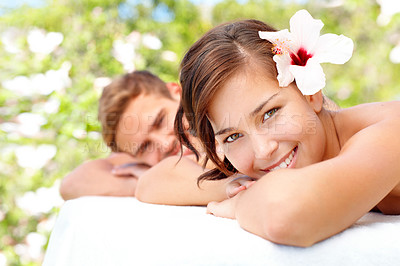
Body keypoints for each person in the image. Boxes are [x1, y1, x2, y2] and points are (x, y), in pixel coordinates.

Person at [174, 10, 400, 247]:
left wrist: (241, 202)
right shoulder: (283, 155)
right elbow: (155, 179)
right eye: (233, 136)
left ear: (310, 92)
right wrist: (230, 187)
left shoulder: (389, 130)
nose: (263, 151)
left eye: (270, 114)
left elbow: (284, 215)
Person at [60, 70, 237, 205]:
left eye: (160, 121)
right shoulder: (150, 167)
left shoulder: (226, 109)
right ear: (133, 158)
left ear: (177, 92)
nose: (165, 143)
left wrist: (166, 182)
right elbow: (71, 184)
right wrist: (152, 179)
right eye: (144, 147)